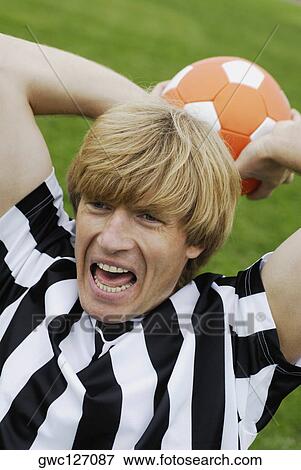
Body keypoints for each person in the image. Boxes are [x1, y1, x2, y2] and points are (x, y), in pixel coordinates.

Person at [0, 34, 300, 451]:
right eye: (100, 204)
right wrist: (159, 113)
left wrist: (275, 146)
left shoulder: (237, 341)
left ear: (195, 237)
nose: (111, 239)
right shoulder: (29, 258)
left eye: (148, 217)